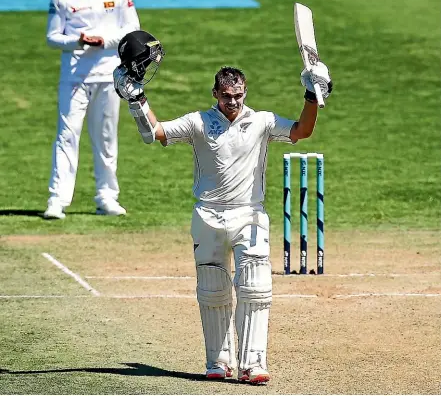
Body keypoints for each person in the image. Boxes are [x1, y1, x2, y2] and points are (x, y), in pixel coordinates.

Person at [113, 30, 333, 384]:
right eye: (227, 96)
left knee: (256, 288)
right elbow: (153, 133)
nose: (233, 102)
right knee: (212, 291)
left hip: (250, 214)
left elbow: (303, 131)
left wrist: (312, 94)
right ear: (215, 93)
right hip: (208, 215)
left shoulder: (261, 121)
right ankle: (217, 362)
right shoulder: (199, 122)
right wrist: (136, 98)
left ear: (245, 93)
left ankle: (254, 363)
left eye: (239, 95)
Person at [43, 0, 140, 219]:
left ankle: (107, 197)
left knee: (106, 137)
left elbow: (132, 31)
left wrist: (104, 41)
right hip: (74, 77)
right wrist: (78, 41)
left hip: (109, 74)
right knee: (66, 136)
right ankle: (57, 200)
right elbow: (51, 38)